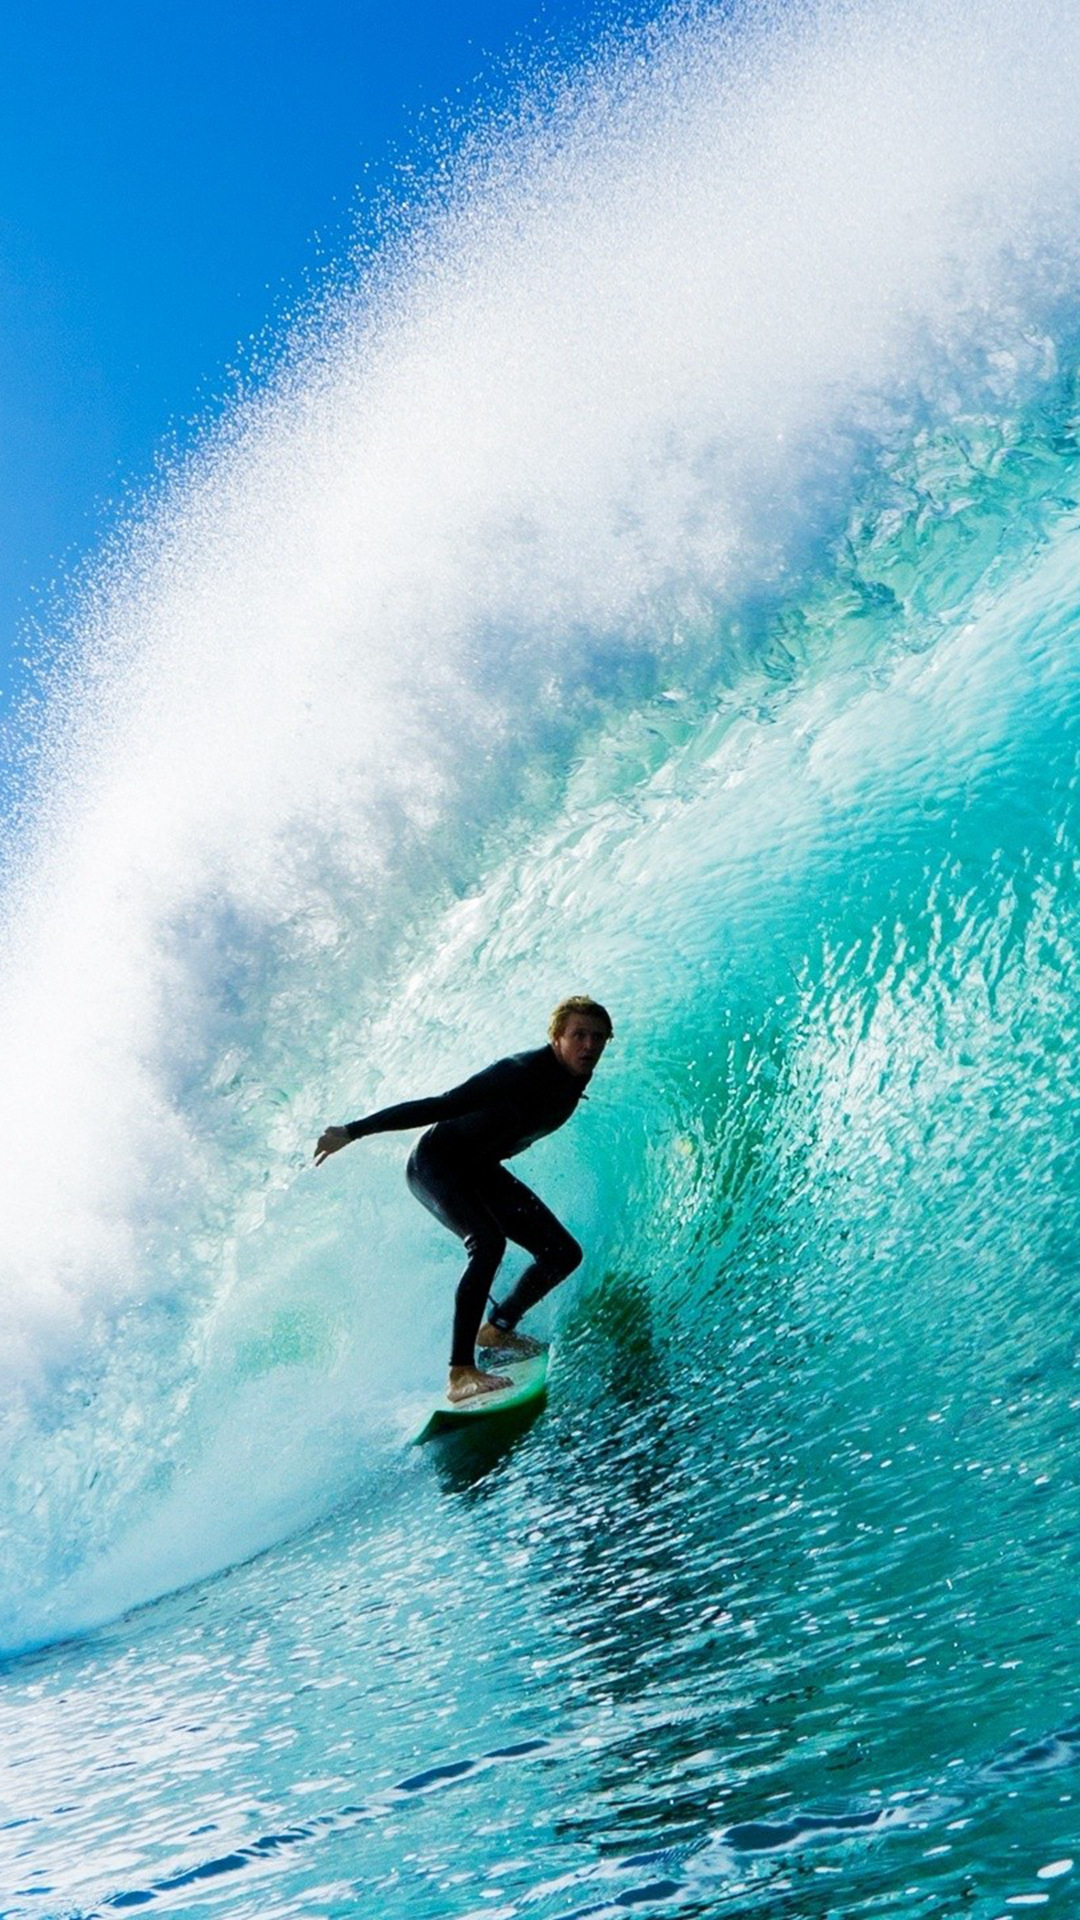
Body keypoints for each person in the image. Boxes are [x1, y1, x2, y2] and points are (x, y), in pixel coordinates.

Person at [315, 996, 613, 1402]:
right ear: (557, 1037)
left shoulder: (573, 1079)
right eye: (579, 1035)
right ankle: (460, 1372)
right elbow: (441, 1105)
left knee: (561, 1252)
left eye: (599, 1037)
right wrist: (352, 1131)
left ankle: (497, 1330)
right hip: (436, 1164)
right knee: (488, 1243)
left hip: (480, 1169)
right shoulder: (518, 1072)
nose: (590, 1045)